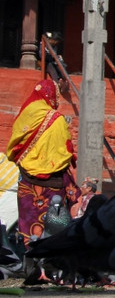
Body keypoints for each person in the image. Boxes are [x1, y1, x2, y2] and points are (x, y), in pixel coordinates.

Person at [5, 79, 80, 245]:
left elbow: (16, 142)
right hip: (52, 185)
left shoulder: (25, 114)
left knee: (28, 221)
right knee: (54, 224)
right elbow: (65, 150)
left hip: (26, 182)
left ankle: (28, 252)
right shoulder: (57, 119)